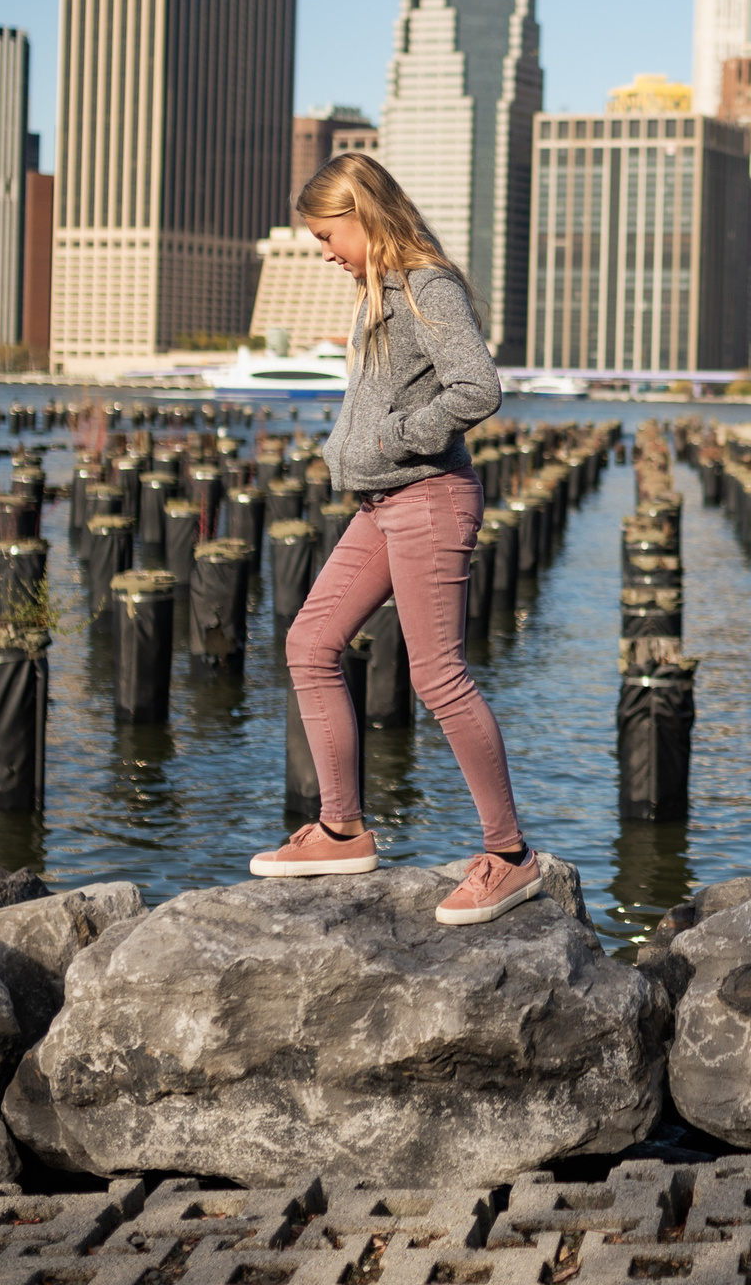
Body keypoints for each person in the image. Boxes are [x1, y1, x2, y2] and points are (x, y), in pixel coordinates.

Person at [250, 152, 541, 927]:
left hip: (429, 499)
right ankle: (341, 830)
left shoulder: (425, 285)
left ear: (363, 213)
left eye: (327, 235)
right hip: (382, 506)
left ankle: (511, 856)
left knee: (438, 677)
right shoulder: (376, 292)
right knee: (310, 642)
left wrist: (396, 438)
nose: (324, 251)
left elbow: (478, 387)